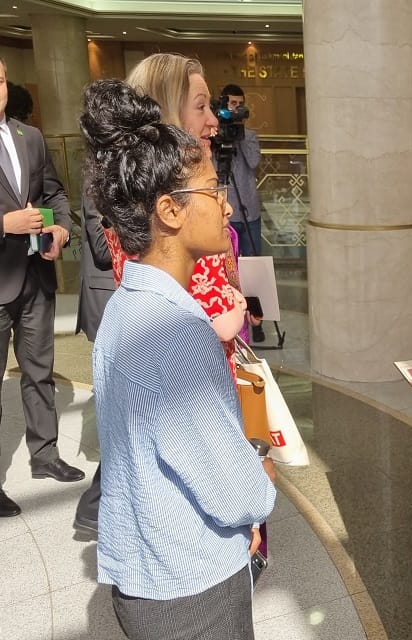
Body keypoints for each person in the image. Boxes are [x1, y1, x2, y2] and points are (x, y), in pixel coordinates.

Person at [80, 78, 276, 639]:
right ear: (168, 209)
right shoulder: (175, 330)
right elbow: (231, 488)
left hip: (146, 569)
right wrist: (259, 478)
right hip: (191, 584)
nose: (227, 203)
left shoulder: (130, 300)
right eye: (212, 190)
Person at [72, 53, 251, 539]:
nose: (213, 120)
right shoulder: (151, 216)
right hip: (194, 365)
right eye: (200, 107)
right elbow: (159, 318)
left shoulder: (192, 187)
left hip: (214, 357)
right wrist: (216, 330)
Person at [0, 57, 84, 518]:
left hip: (35, 275)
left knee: (39, 370)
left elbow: (54, 193)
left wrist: (61, 231)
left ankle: (45, 454)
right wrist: (4, 223)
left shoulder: (27, 137)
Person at [72, 196, 115, 536]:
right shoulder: (102, 170)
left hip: (131, 295)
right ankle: (95, 505)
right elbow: (102, 248)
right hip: (110, 298)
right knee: (125, 413)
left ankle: (99, 504)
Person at [219, 84, 265, 343]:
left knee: (253, 269)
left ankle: (258, 320)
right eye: (232, 104)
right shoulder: (214, 137)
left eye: (240, 103)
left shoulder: (250, 135)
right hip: (225, 213)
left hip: (250, 211)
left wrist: (240, 135)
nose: (236, 108)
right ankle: (234, 318)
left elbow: (254, 162)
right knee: (230, 270)